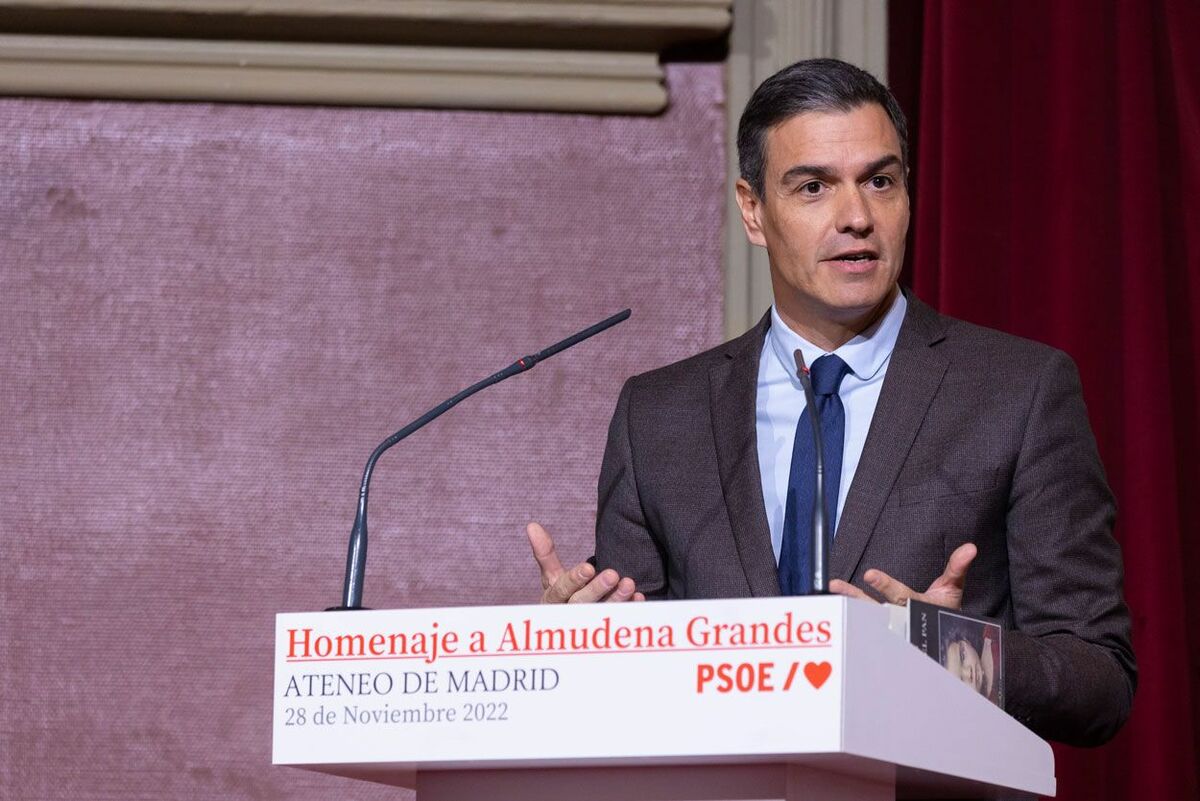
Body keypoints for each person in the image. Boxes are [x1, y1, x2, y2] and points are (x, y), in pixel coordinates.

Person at [526, 58, 1134, 747]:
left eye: (880, 181)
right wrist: (568, 647)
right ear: (753, 210)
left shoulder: (1018, 392)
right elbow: (634, 675)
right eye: (813, 186)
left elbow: (1100, 679)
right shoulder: (660, 417)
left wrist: (949, 650)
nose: (856, 217)